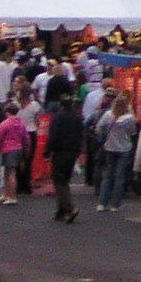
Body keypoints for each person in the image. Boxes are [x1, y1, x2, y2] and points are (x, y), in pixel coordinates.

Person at [46, 96, 84, 224]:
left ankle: (69, 208)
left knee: (58, 180)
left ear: (61, 105)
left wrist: (47, 151)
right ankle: (60, 211)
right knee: (65, 179)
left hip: (60, 151)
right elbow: (81, 134)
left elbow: (53, 135)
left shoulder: (57, 118)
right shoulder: (77, 119)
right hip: (72, 152)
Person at [96, 95, 135, 211]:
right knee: (119, 176)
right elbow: (132, 132)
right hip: (124, 148)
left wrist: (103, 136)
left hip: (109, 147)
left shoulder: (108, 115)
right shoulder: (129, 118)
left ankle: (102, 203)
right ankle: (115, 204)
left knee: (108, 175)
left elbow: (99, 128)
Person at [0, 100, 29, 206]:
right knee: (8, 172)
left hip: (8, 149)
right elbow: (26, 138)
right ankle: (6, 194)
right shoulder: (21, 123)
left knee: (10, 173)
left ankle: (12, 196)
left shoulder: (5, 124)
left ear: (7, 112)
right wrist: (26, 149)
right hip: (18, 148)